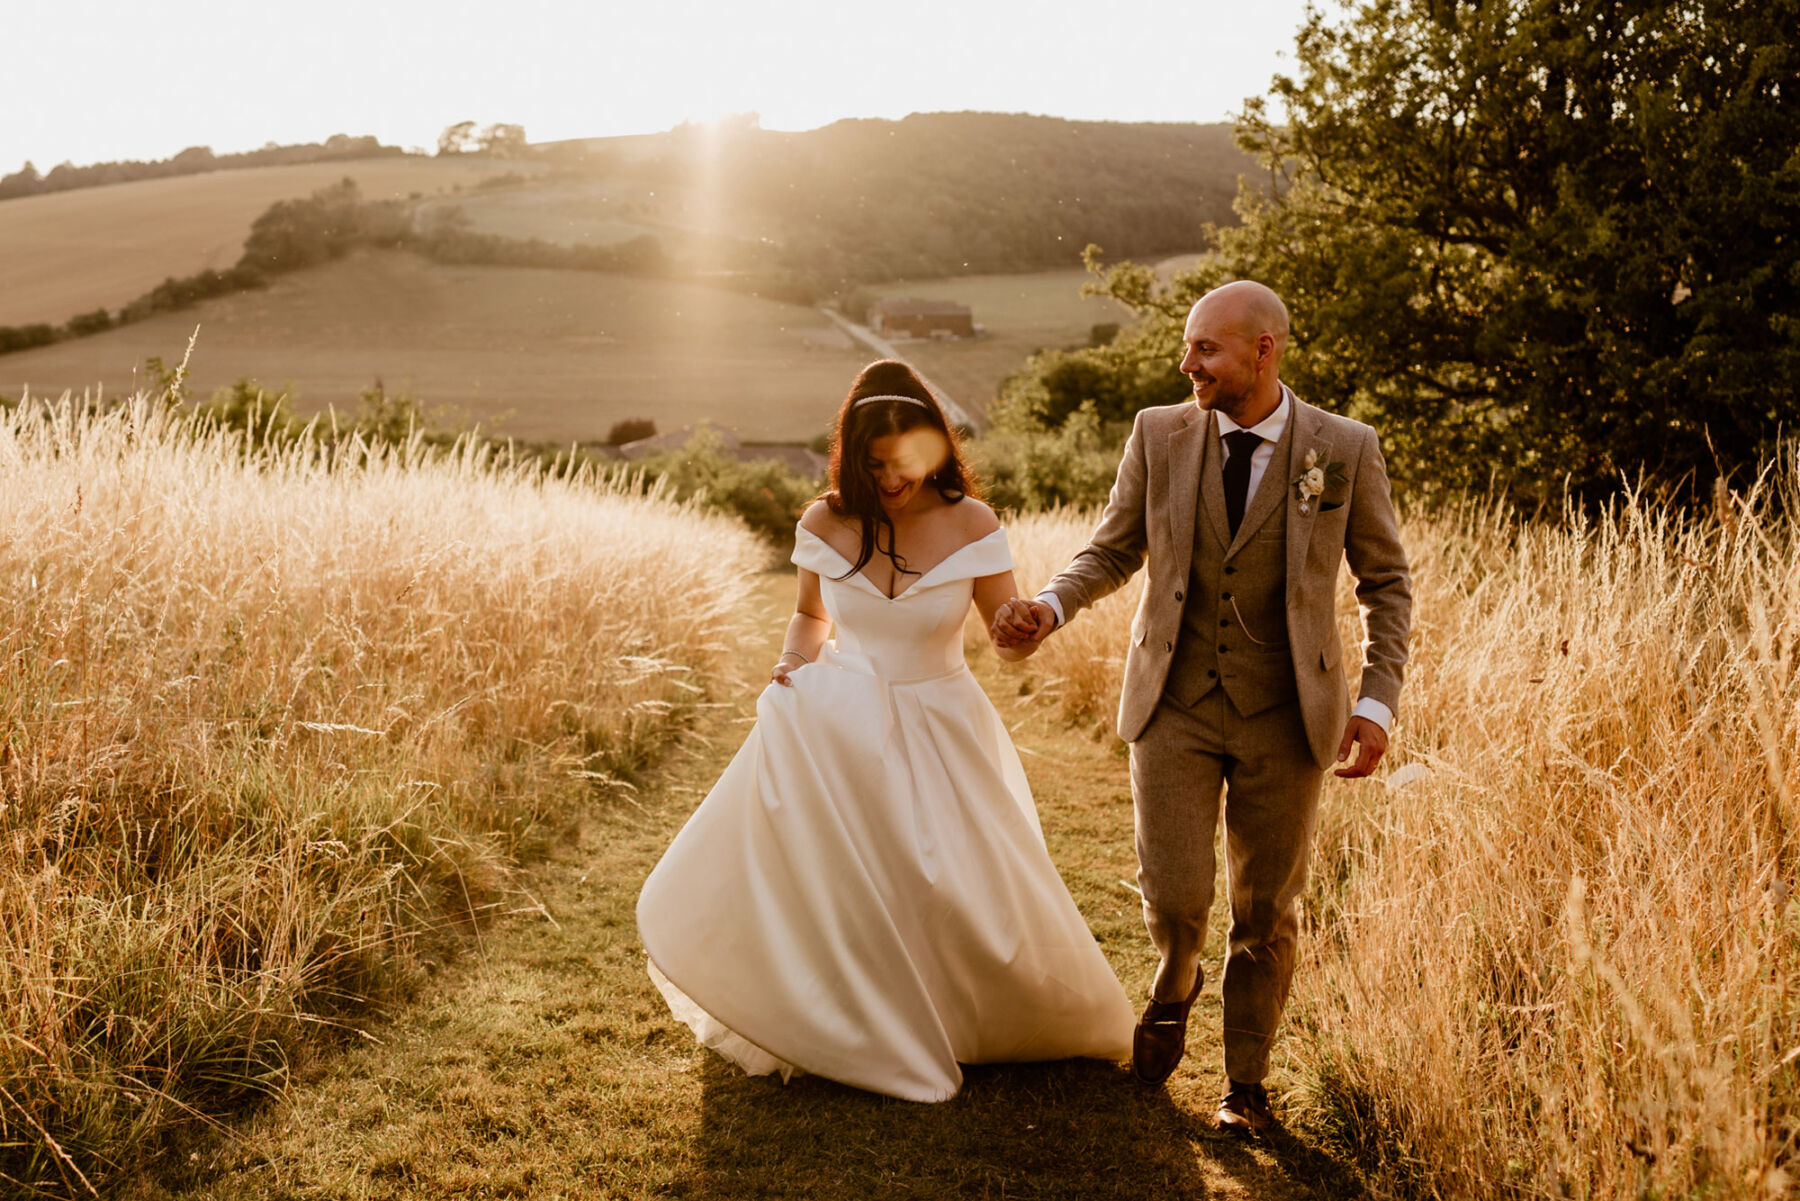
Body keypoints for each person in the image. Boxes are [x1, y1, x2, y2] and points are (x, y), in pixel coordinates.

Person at [637, 359, 1134, 1103]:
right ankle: (850, 1017)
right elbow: (811, 616)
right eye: (875, 466)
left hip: (942, 718)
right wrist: (789, 665)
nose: (891, 479)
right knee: (847, 879)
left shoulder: (975, 523)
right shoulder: (823, 520)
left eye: (904, 463)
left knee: (949, 884)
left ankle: (963, 1016)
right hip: (840, 722)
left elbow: (1006, 635)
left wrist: (1020, 627)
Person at [992, 280, 1412, 1133]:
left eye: (1206, 350)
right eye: (1187, 349)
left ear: (1266, 350)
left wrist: (1376, 702)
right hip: (1175, 703)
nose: (1189, 366)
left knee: (1266, 911)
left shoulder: (1344, 447)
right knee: (1177, 897)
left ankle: (1245, 1086)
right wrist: (1050, 604)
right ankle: (1176, 974)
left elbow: (1386, 584)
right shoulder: (1159, 433)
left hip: (1290, 716)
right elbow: (1112, 549)